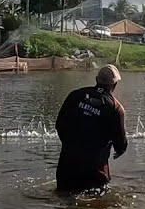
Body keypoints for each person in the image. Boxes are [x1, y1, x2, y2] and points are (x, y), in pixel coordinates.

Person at [54, 64, 128, 194]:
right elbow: (121, 144)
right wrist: (119, 150)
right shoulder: (116, 108)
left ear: (96, 79)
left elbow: (59, 125)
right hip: (95, 171)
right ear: (114, 84)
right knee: (95, 203)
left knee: (63, 200)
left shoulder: (75, 95)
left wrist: (70, 145)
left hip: (67, 165)